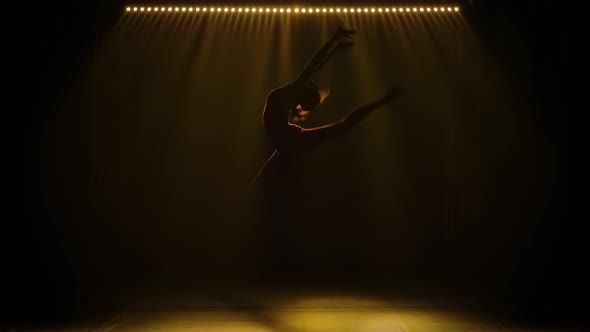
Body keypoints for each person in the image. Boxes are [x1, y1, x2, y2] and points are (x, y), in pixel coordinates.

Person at [253, 23, 403, 184]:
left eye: (313, 87)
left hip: (288, 139)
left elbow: (314, 64)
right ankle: (383, 100)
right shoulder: (294, 94)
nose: (314, 83)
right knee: (342, 127)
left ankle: (383, 100)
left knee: (341, 128)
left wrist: (334, 40)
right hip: (288, 139)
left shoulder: (295, 90)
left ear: (306, 94)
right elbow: (316, 66)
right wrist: (335, 47)